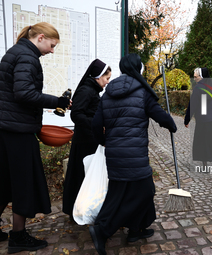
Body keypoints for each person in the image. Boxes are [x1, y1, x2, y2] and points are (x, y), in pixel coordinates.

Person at [89, 53, 177, 255]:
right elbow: (158, 114)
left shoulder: (108, 93)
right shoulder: (142, 91)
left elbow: (96, 124)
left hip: (115, 155)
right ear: (137, 68)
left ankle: (136, 230)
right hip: (135, 156)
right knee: (145, 192)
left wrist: (105, 142)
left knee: (119, 194)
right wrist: (171, 124)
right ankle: (103, 230)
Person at [0, 22, 71, 253]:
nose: (52, 51)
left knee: (4, 182)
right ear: (40, 38)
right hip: (17, 131)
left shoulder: (15, 52)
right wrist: (57, 102)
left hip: (6, 128)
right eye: (52, 45)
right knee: (23, 183)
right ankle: (18, 236)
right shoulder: (27, 57)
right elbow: (24, 93)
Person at [62, 59, 111, 220]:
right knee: (81, 176)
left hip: (89, 138)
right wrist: (96, 124)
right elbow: (76, 114)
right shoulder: (86, 90)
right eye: (106, 78)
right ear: (98, 76)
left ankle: (83, 208)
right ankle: (76, 209)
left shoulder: (92, 90)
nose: (107, 82)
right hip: (85, 140)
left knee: (86, 176)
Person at [184, 67, 212, 170]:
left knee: (203, 142)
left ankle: (205, 166)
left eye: (196, 77)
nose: (195, 79)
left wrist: (187, 119)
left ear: (202, 77)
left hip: (203, 120)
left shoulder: (198, 89)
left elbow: (192, 105)